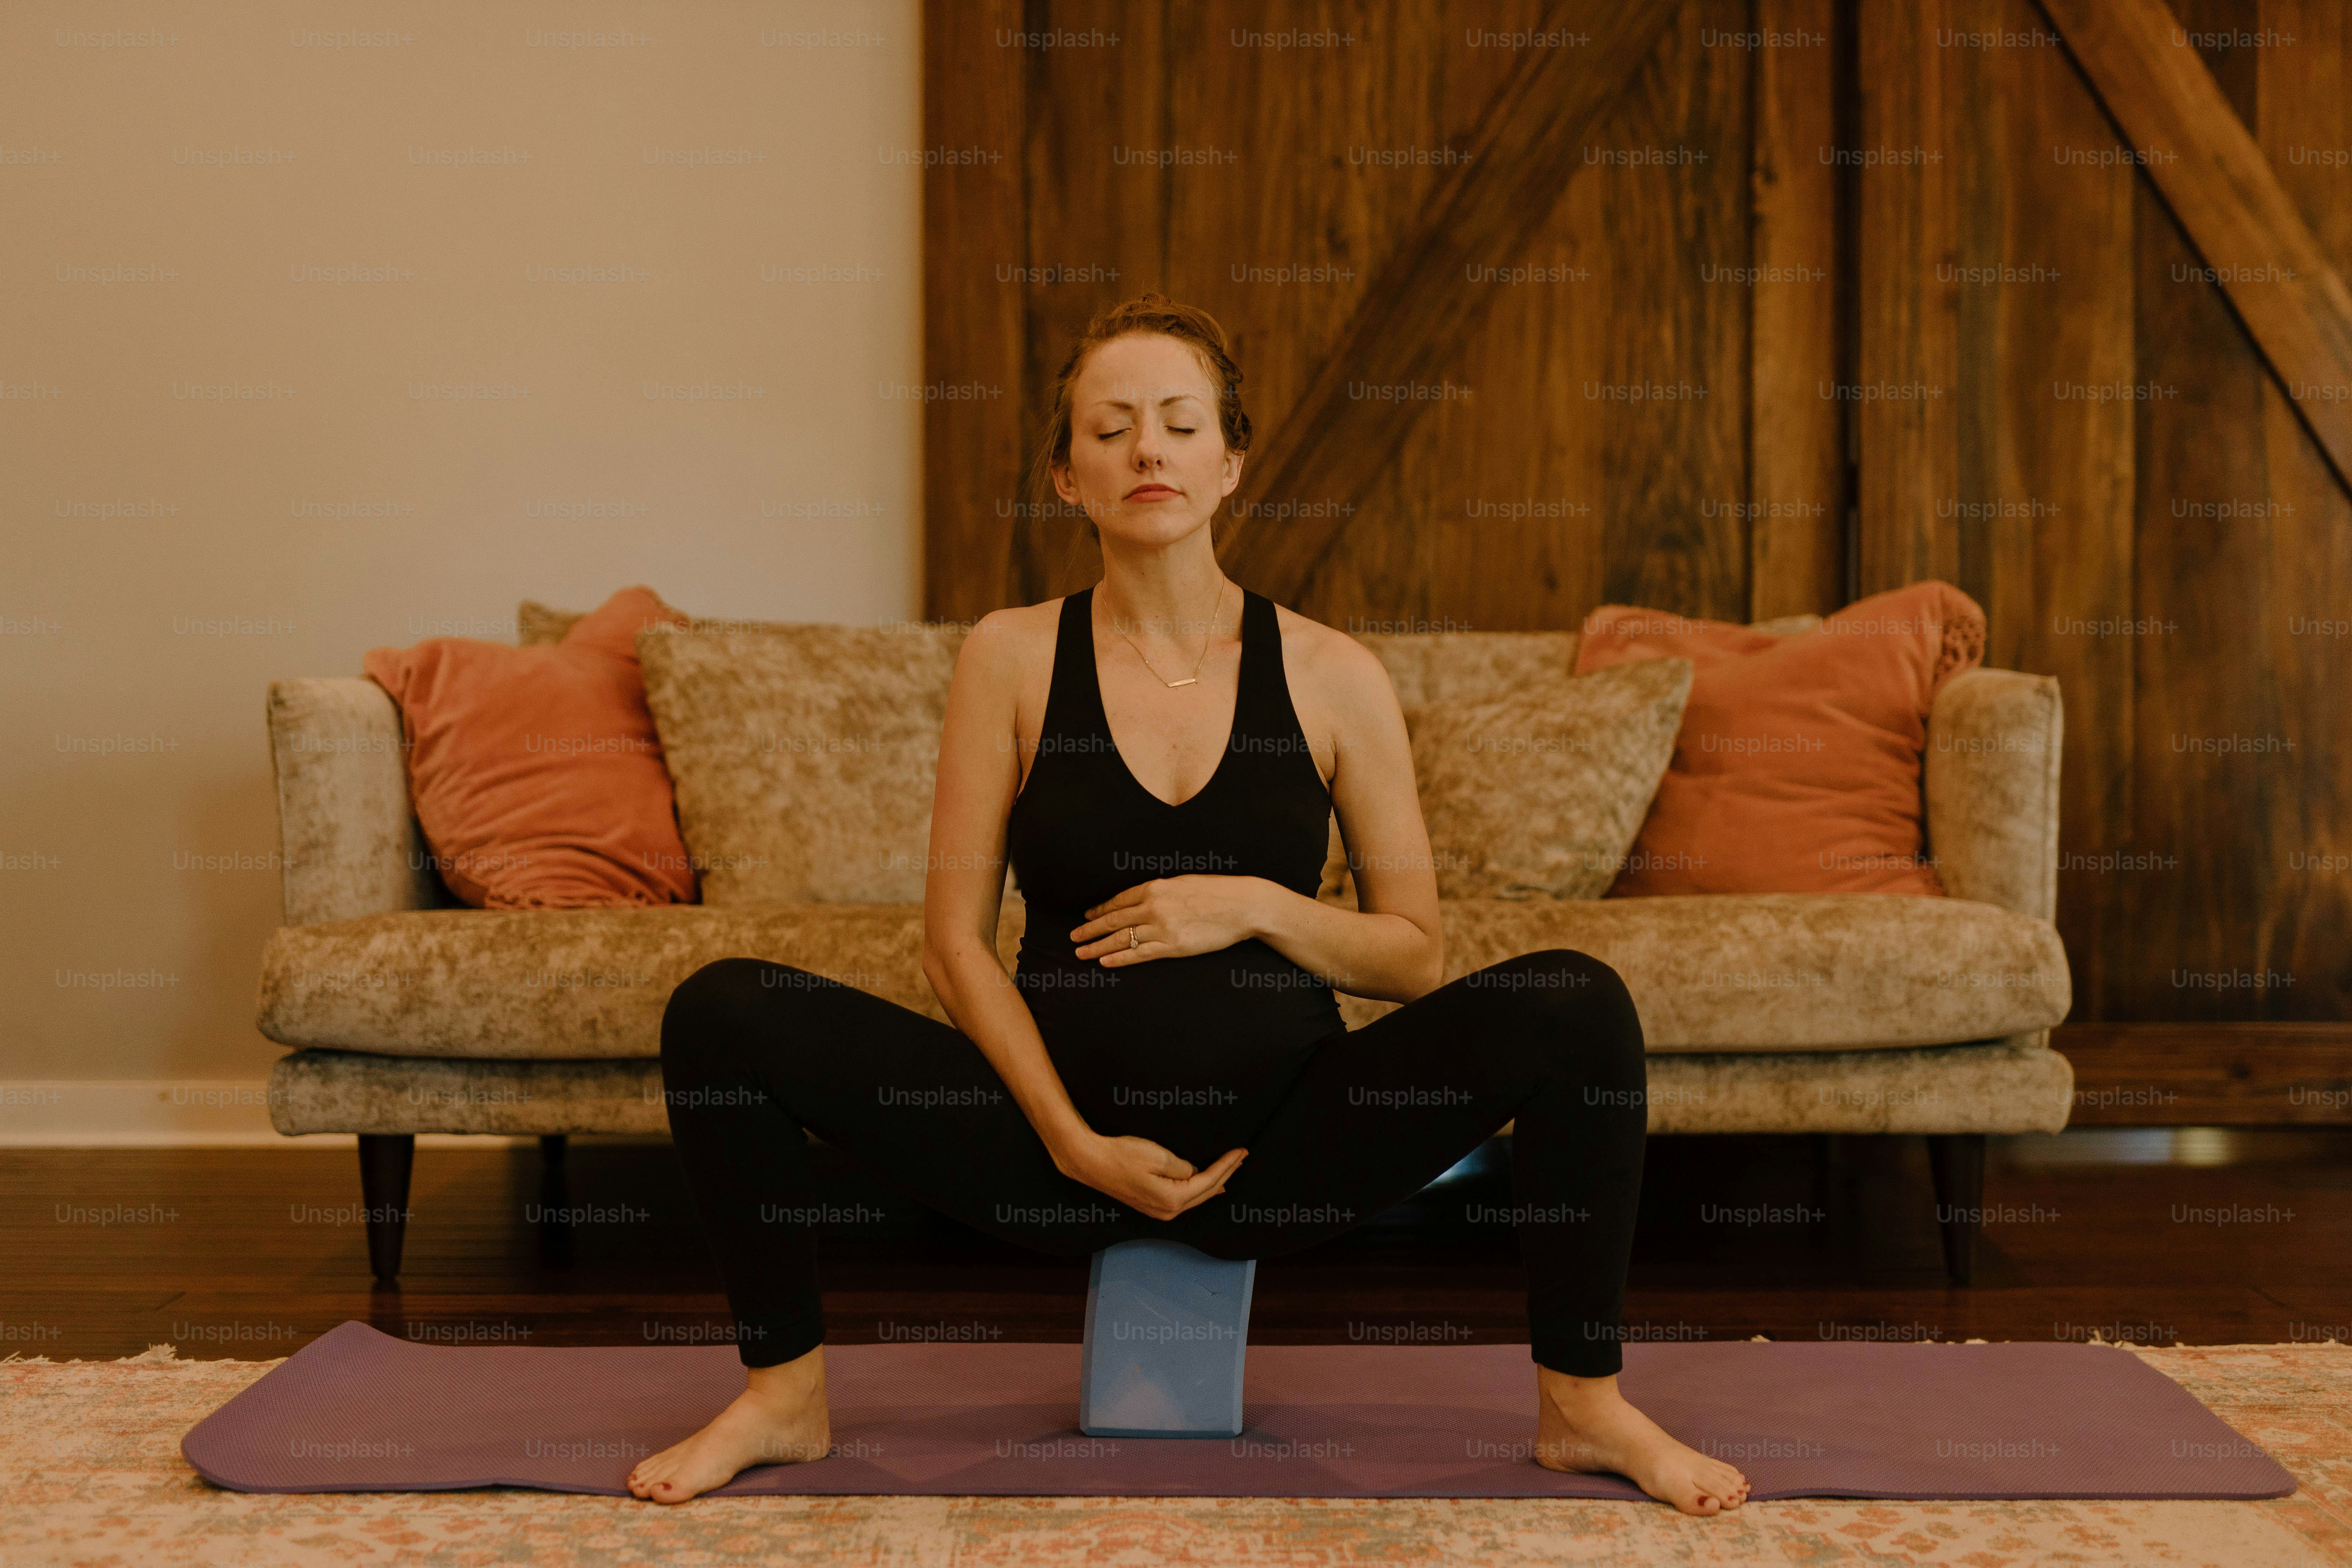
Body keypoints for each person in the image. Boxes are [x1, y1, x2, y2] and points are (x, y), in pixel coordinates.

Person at [629, 294, 1748, 1514]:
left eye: (1176, 423)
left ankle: (1582, 1408)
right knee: (721, 1010)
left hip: (1279, 1154)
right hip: (1051, 1155)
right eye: (1109, 430)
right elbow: (953, 944)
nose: (1146, 451)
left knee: (1574, 1003)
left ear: (1230, 462)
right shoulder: (1007, 655)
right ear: (1067, 476)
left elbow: (1414, 958)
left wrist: (1253, 903)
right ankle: (783, 1394)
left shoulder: (1333, 674)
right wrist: (1069, 1140)